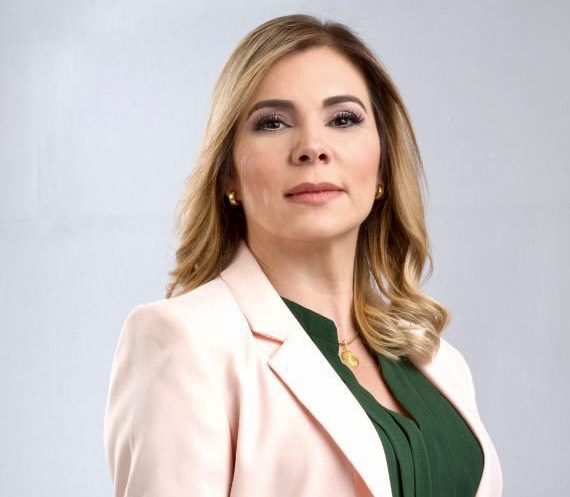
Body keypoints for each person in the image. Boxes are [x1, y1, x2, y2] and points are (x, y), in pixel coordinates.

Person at [104, 14, 502, 497]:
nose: (313, 147)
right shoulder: (184, 342)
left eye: (343, 119)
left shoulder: (437, 360)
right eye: (272, 123)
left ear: (383, 166)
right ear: (229, 175)